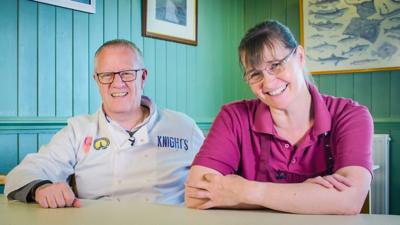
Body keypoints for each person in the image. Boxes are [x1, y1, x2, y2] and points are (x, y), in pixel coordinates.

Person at [185, 20, 373, 215]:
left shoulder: (350, 115)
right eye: (255, 74)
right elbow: (196, 195)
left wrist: (243, 191)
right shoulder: (233, 117)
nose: (268, 83)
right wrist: (310, 196)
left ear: (300, 56)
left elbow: (350, 200)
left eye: (276, 65)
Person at [4, 39, 204, 208]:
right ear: (96, 80)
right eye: (107, 75)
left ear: (142, 77)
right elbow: (22, 173)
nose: (117, 83)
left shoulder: (183, 126)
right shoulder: (78, 131)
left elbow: (221, 175)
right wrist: (42, 188)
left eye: (127, 73)